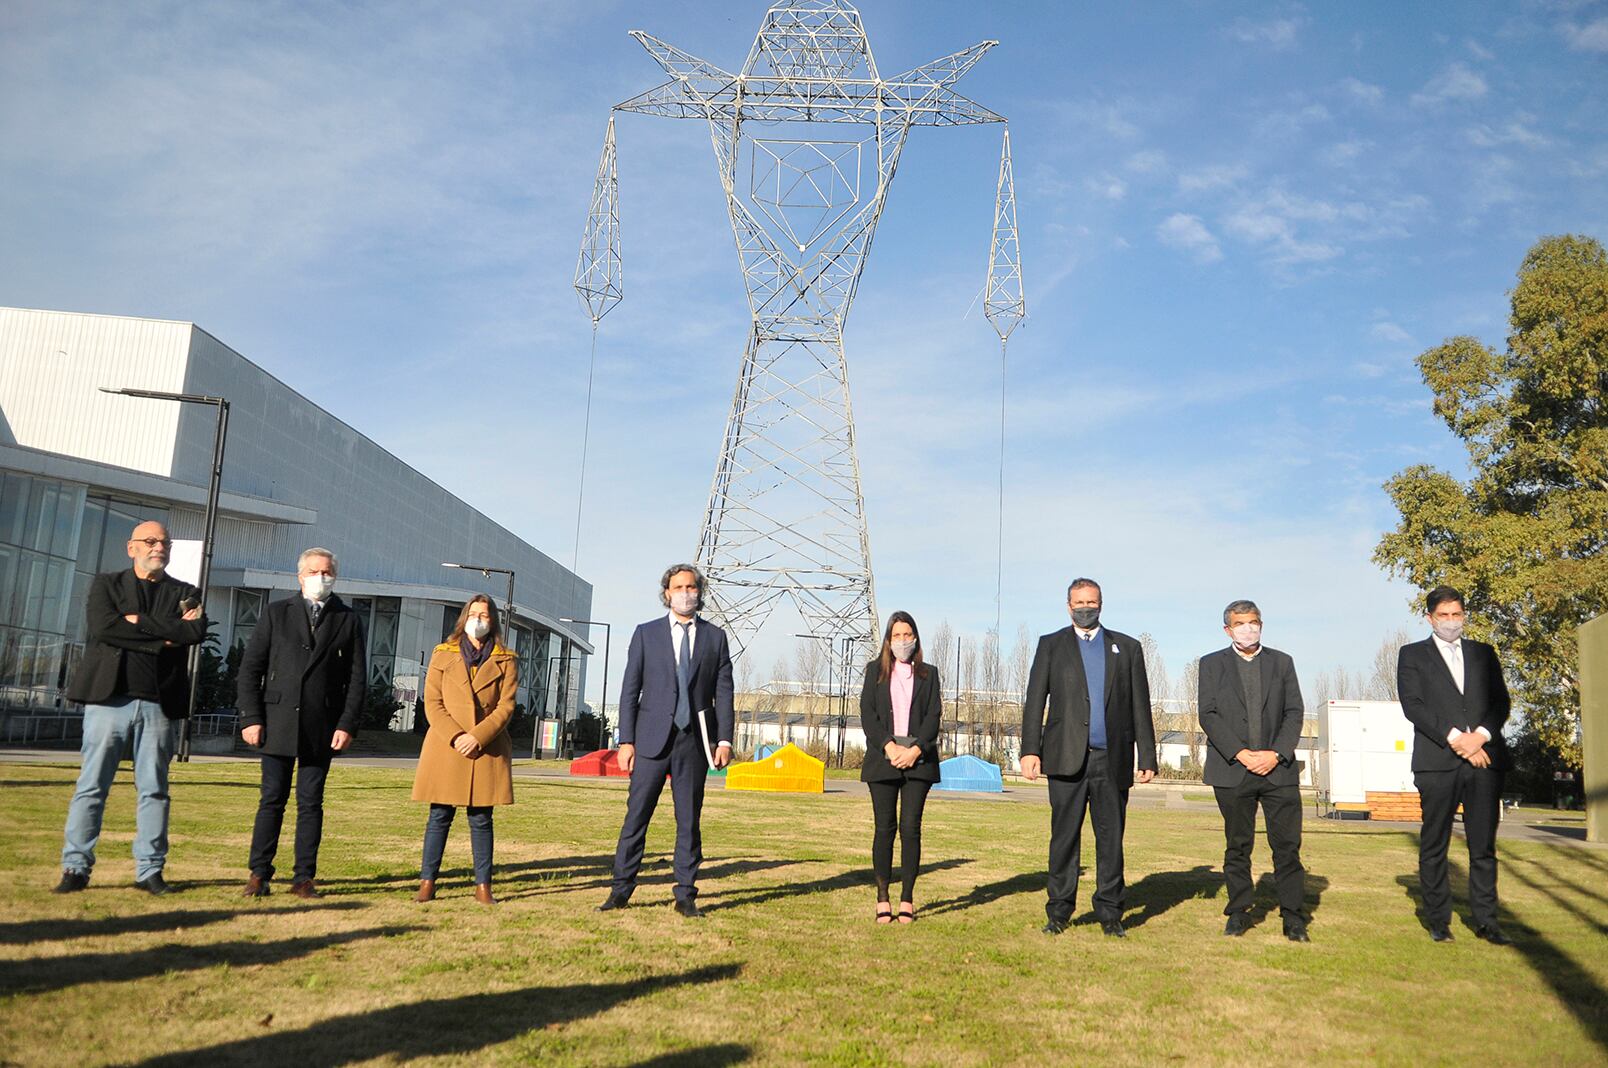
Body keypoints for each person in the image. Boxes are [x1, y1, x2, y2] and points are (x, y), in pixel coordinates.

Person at [55, 520, 207, 895]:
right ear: (132, 547)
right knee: (91, 787)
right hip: (109, 700)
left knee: (154, 789)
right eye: (151, 541)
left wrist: (139, 624)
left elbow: (194, 633)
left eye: (165, 542)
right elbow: (104, 628)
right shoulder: (107, 584)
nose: (159, 547)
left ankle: (149, 871)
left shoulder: (185, 592)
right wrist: (164, 635)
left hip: (159, 704)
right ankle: (76, 868)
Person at [1019, 578, 1157, 937]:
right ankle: (1059, 911)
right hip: (1065, 758)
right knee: (1064, 838)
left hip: (1111, 760)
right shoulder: (1050, 645)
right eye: (1079, 602)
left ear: (1101, 604)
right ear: (1068, 606)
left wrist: (1148, 755)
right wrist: (1029, 750)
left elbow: (1140, 705)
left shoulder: (1126, 648)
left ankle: (1110, 912)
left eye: (1091, 602)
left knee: (1110, 838)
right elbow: (1035, 702)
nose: (1085, 607)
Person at [598, 564, 734, 918]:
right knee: (636, 817)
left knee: (688, 820)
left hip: (694, 742)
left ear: (699, 592)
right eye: (678, 587)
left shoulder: (715, 638)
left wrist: (724, 740)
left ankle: (686, 893)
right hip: (650, 742)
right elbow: (630, 691)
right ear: (667, 593)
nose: (686, 592)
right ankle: (620, 889)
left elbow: (725, 692)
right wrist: (626, 741)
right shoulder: (646, 634)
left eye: (691, 586)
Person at [236, 548, 366, 899]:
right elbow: (251, 669)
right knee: (271, 800)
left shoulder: (348, 618)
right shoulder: (277, 613)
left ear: (334, 577)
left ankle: (304, 878)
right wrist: (250, 717)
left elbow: (357, 679)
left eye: (326, 572)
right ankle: (258, 874)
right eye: (313, 571)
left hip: (321, 725)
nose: (320, 578)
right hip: (276, 720)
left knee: (311, 803)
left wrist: (347, 724)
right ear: (300, 576)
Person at [1397, 586, 1512, 945]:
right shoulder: (1412, 655)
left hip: (1484, 761)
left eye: (1457, 614)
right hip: (1437, 763)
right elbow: (1413, 705)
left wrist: (1480, 735)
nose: (1451, 622)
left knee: (1483, 847)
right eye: (1444, 615)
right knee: (1435, 845)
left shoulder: (1484, 653)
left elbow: (1501, 702)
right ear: (1430, 618)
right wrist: (1457, 740)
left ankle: (1486, 922)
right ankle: (1438, 921)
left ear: (1464, 615)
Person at [1197, 600, 1309, 941]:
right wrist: (1241, 753)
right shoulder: (1211, 664)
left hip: (1278, 771)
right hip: (1233, 770)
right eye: (1240, 623)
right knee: (1238, 845)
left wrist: (1275, 753)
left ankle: (1293, 917)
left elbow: (1294, 712)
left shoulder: (1282, 663)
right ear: (1227, 629)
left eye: (1254, 622)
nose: (1248, 628)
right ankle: (1238, 912)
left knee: (1287, 847)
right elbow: (1209, 714)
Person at [411, 595, 517, 904]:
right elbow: (432, 702)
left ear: (493, 620)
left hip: (486, 747)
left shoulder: (507, 659)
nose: (479, 619)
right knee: (439, 816)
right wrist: (457, 736)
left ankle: (483, 886)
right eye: (474, 613)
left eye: (485, 614)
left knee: (481, 819)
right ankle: (427, 882)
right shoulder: (442, 654)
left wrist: (478, 736)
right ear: (464, 617)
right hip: (447, 746)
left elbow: (505, 706)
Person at [858, 611, 942, 924]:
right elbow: (868, 714)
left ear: (916, 638)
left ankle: (907, 898)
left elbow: (933, 716)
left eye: (908, 635)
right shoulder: (874, 672)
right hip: (884, 761)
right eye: (897, 636)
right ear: (888, 641)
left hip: (918, 762)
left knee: (911, 828)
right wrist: (890, 747)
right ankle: (883, 897)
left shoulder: (929, 674)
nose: (903, 641)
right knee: (884, 829)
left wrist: (916, 749)